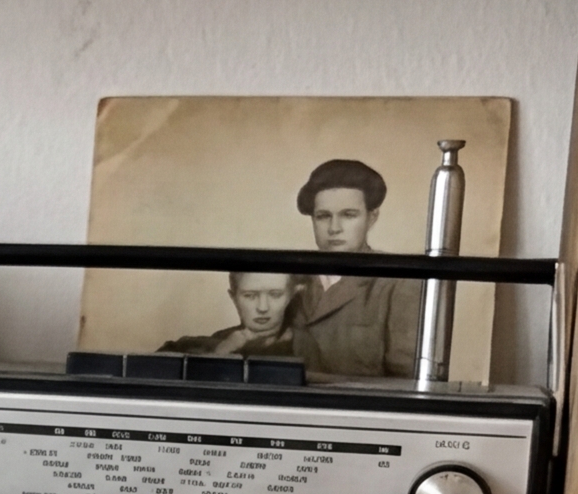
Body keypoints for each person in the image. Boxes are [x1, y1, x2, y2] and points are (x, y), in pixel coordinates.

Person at [289, 158, 420, 378]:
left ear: (371, 217)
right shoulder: (293, 278)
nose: (334, 228)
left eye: (348, 215)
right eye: (323, 216)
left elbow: (405, 379)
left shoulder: (398, 282)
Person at [161, 270, 304, 357]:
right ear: (234, 298)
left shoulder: (308, 347)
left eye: (275, 295)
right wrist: (221, 353)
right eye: (250, 296)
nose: (262, 307)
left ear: (291, 297)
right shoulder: (217, 341)